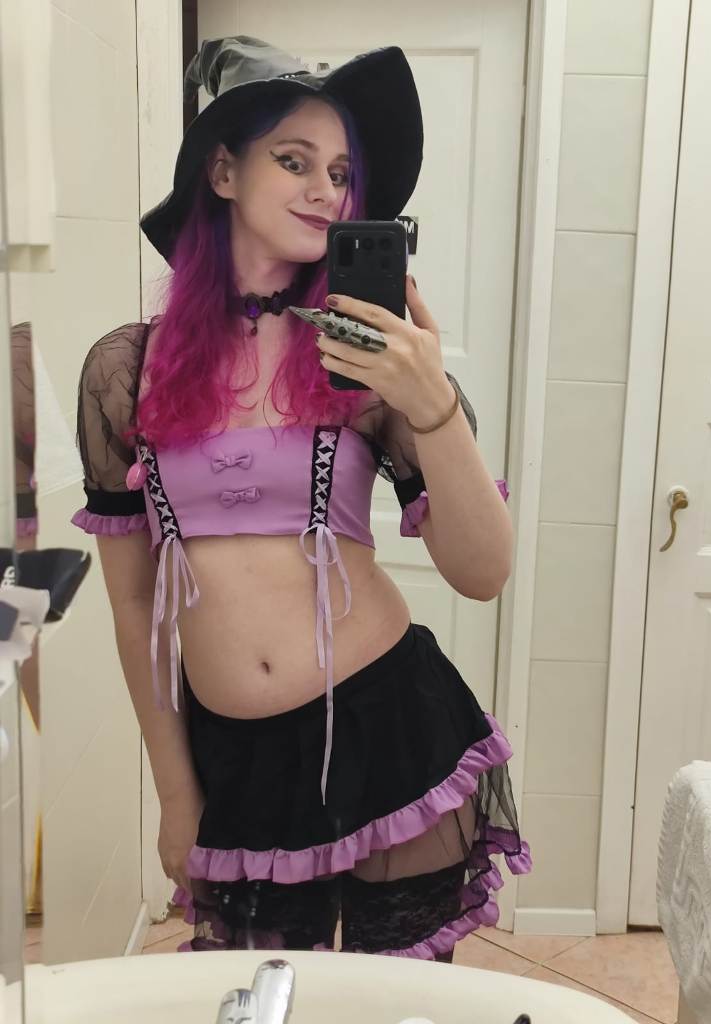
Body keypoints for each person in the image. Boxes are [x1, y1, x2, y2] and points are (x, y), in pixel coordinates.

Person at [71, 36, 531, 959]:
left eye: (343, 172)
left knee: (389, 1009)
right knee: (259, 1003)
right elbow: (132, 608)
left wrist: (432, 400)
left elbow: (484, 573)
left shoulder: (367, 360)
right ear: (223, 172)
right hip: (235, 761)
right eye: (294, 160)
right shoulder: (127, 369)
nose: (327, 190)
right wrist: (174, 790)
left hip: (386, 728)